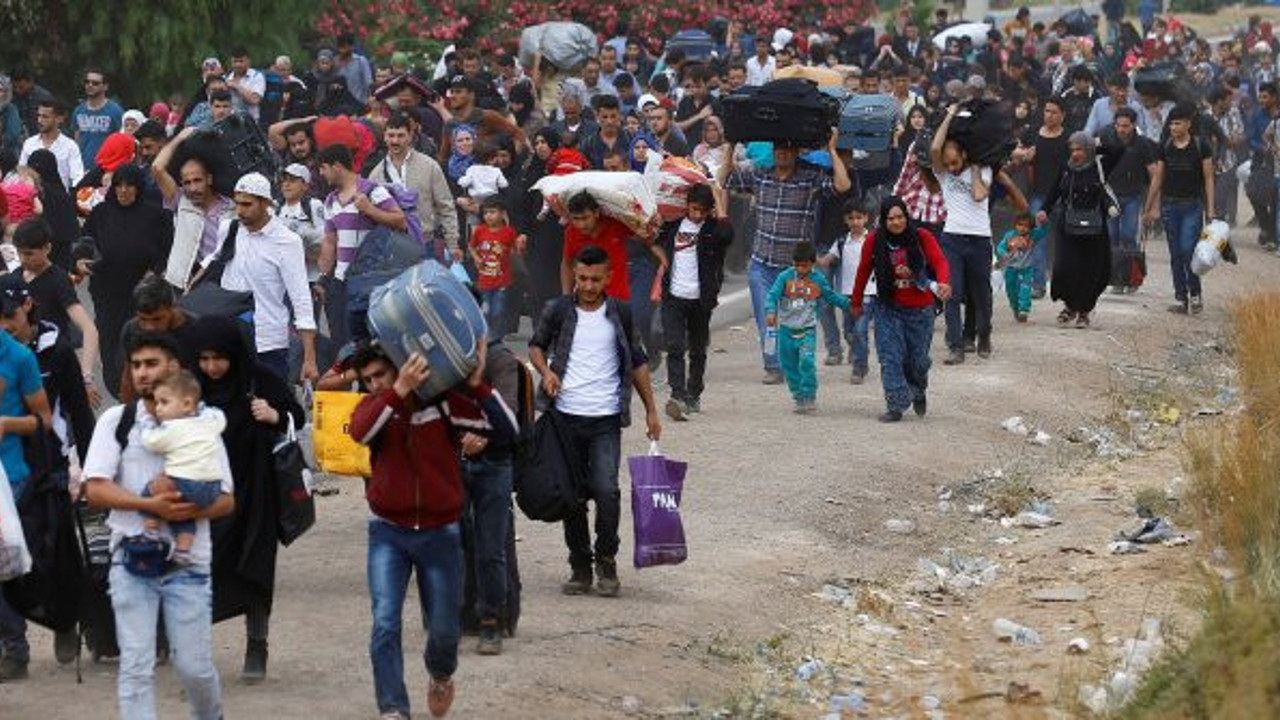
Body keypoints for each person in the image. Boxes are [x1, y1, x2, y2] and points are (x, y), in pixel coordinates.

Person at [349, 340, 516, 719]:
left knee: (444, 630)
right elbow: (359, 432)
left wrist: (476, 386)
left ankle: (441, 674)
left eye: (380, 375)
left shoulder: (442, 404)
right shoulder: (375, 409)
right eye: (367, 379)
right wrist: (397, 390)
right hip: (388, 532)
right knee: (385, 622)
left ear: (400, 365)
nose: (374, 384)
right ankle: (393, 708)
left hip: (441, 533)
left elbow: (506, 428)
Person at [83, 332, 234, 719]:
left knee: (194, 668)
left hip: (189, 564)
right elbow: (95, 490)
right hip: (130, 559)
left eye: (152, 363)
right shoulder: (116, 422)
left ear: (174, 368)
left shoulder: (203, 425)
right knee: (135, 666)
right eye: (136, 365)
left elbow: (227, 499)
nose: (143, 373)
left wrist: (187, 512)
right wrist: (147, 504)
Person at [528, 245, 661, 598]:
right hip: (564, 418)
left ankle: (606, 559)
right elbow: (536, 345)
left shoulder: (621, 313)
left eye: (595, 279)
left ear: (609, 278)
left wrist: (651, 409)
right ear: (574, 274)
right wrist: (545, 373)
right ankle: (580, 566)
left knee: (606, 490)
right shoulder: (557, 310)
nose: (588, 286)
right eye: (582, 278)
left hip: (605, 419)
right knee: (571, 496)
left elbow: (637, 360)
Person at [185, 315, 303, 684]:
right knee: (204, 571)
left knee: (255, 567)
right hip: (208, 495)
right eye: (203, 359)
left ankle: (257, 645)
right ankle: (195, 653)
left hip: (256, 492)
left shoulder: (259, 379)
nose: (211, 367)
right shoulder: (191, 386)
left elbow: (296, 416)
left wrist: (274, 414)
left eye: (219, 358)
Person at [719, 130, 852, 384]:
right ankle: (773, 366)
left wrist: (832, 150)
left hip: (796, 269)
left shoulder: (810, 177)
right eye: (778, 147)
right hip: (762, 264)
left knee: (796, 322)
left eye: (788, 148)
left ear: (796, 152)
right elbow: (724, 180)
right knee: (766, 318)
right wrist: (730, 144)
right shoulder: (760, 174)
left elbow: (843, 185)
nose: (782, 152)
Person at [200, 172, 318, 381]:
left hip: (267, 344)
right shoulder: (229, 228)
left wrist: (309, 359)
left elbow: (301, 299)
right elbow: (211, 263)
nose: (240, 211)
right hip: (230, 340)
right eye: (237, 204)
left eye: (247, 205)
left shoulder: (287, 242)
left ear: (265, 203)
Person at [852, 197, 951, 422]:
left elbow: (940, 262)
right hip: (888, 307)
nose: (896, 222)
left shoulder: (922, 237)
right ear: (883, 220)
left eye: (900, 217)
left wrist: (944, 282)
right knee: (890, 357)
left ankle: (917, 389)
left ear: (906, 216)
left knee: (918, 361)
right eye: (890, 219)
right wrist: (856, 302)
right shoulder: (873, 241)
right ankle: (895, 404)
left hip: (920, 311)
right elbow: (863, 271)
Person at [0, 280, 55, 682]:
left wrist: (6, 424)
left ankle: (15, 650)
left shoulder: (19, 358)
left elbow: (44, 421)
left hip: (11, 476)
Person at [80, 164, 174, 397]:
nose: (123, 191)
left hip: (141, 294)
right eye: (119, 185)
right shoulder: (101, 213)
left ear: (138, 187)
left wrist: (155, 271)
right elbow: (85, 242)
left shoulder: (155, 215)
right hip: (107, 292)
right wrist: (80, 259)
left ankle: (141, 393)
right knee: (110, 344)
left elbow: (167, 250)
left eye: (129, 185)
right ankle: (119, 394)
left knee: (138, 345)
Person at [932, 104, 1004, 364]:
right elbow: (934, 149)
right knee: (951, 292)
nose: (950, 167)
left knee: (981, 294)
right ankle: (956, 346)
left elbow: (978, 194)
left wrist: (973, 168)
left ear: (964, 154)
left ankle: (983, 335)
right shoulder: (942, 174)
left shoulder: (983, 170)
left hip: (980, 240)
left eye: (954, 162)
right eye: (947, 162)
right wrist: (949, 115)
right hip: (952, 238)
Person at [317, 143, 408, 346]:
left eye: (323, 168)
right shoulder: (330, 202)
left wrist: (370, 210)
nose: (322, 174)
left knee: (369, 342)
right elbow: (330, 242)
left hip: (369, 282)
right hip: (341, 283)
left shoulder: (373, 191)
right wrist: (323, 279)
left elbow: (400, 221)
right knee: (342, 342)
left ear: (337, 166)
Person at [658, 183, 732, 420]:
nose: (697, 214)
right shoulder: (673, 226)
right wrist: (663, 261)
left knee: (698, 350)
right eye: (693, 209)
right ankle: (677, 395)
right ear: (686, 206)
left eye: (702, 210)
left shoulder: (713, 230)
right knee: (675, 346)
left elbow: (728, 235)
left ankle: (694, 394)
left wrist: (718, 199)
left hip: (701, 300)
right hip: (673, 297)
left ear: (709, 210)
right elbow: (648, 237)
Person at [137, 371, 227, 566]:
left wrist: (146, 422)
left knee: (151, 489)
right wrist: (202, 410)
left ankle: (150, 530)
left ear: (186, 404)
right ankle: (183, 550)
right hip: (213, 487)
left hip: (187, 482)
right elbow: (220, 418)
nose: (159, 408)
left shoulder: (172, 428)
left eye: (164, 402)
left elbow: (151, 442)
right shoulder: (208, 422)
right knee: (185, 518)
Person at [764, 241, 851, 415]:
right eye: (797, 265)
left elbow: (830, 296)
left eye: (805, 266)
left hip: (807, 331)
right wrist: (771, 311)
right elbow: (772, 295)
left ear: (812, 264)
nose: (800, 269)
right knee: (789, 366)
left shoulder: (818, 279)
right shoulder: (785, 277)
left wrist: (849, 305)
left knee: (807, 363)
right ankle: (798, 396)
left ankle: (809, 396)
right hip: (786, 331)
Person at [12, 219, 99, 391]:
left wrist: (86, 376)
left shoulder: (58, 280)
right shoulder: (16, 276)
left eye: (29, 254)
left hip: (54, 369)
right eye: (19, 253)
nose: (23, 259)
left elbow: (89, 329)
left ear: (47, 248)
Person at [1148, 103, 1216, 315]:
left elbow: (1208, 178)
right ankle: (1181, 298)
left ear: (1188, 124)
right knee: (1175, 254)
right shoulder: (1165, 146)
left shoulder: (1200, 145)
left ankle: (1195, 293)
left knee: (1188, 250)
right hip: (1170, 206)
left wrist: (1211, 210)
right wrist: (1149, 206)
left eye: (1178, 123)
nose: (1173, 127)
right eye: (1171, 124)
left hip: (1192, 206)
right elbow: (1158, 177)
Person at [367, 113, 462, 262]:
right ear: (384, 137)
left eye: (400, 136)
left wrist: (453, 244)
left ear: (410, 136)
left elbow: (446, 207)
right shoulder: (376, 174)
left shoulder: (429, 166)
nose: (395, 141)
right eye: (391, 136)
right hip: (391, 246)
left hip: (425, 243)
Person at [152, 128, 233, 290]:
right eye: (187, 183)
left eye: (197, 180)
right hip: (186, 284)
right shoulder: (181, 201)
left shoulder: (231, 208)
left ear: (209, 179)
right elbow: (157, 167)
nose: (193, 188)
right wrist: (179, 138)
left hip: (226, 282)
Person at [1099, 107, 1158, 293]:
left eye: (1126, 126)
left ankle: (1132, 277)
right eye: (1118, 126)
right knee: (1112, 236)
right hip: (1111, 196)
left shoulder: (1143, 145)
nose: (1122, 129)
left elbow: (1154, 173)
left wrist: (1152, 206)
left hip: (1133, 196)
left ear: (1133, 125)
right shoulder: (1107, 140)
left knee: (1128, 234)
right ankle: (1116, 278)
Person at [819, 199, 875, 383]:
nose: (855, 222)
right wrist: (812, 260)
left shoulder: (873, 240)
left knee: (860, 330)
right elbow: (828, 260)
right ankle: (860, 350)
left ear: (866, 218)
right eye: (851, 218)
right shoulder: (842, 242)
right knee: (849, 331)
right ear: (845, 220)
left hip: (868, 293)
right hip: (846, 294)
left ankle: (859, 368)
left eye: (859, 217)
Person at [469, 196, 526, 337]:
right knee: (486, 309)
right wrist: (477, 259)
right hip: (485, 280)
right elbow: (471, 247)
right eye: (486, 213)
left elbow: (515, 252)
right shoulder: (480, 231)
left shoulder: (509, 232)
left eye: (493, 212)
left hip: (502, 281)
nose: (488, 216)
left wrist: (520, 249)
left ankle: (496, 336)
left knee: (499, 310)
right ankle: (486, 335)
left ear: (502, 214)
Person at [24, 148, 79, 270]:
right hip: (60, 260)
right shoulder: (62, 194)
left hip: (34, 253)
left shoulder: (30, 192)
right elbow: (71, 230)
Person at [19, 100, 83, 190]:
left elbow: (77, 177)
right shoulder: (29, 143)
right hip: (32, 198)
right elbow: (21, 173)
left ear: (59, 119)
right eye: (38, 116)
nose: (39, 120)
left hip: (59, 200)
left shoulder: (70, 146)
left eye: (45, 117)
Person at [995, 213, 1048, 322]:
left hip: (1026, 268)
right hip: (1011, 268)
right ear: (1015, 225)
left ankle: (1024, 310)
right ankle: (1015, 308)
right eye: (1019, 225)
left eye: (1026, 226)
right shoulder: (1009, 235)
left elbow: (1044, 232)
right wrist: (1004, 253)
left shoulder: (1033, 235)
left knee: (1025, 288)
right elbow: (1000, 247)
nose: (1022, 228)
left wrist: (1044, 223)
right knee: (1011, 290)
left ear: (1030, 228)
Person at [71, 69, 123, 169]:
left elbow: (121, 141)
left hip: (106, 168)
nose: (90, 85)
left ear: (105, 86)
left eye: (95, 83)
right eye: (87, 82)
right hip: (83, 169)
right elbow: (76, 142)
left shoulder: (115, 111)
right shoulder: (78, 111)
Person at [224, 48, 265, 121]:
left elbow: (254, 100)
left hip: (250, 122)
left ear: (248, 61)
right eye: (235, 61)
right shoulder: (225, 78)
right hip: (228, 120)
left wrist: (236, 86)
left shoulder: (257, 76)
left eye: (241, 61)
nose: (238, 65)